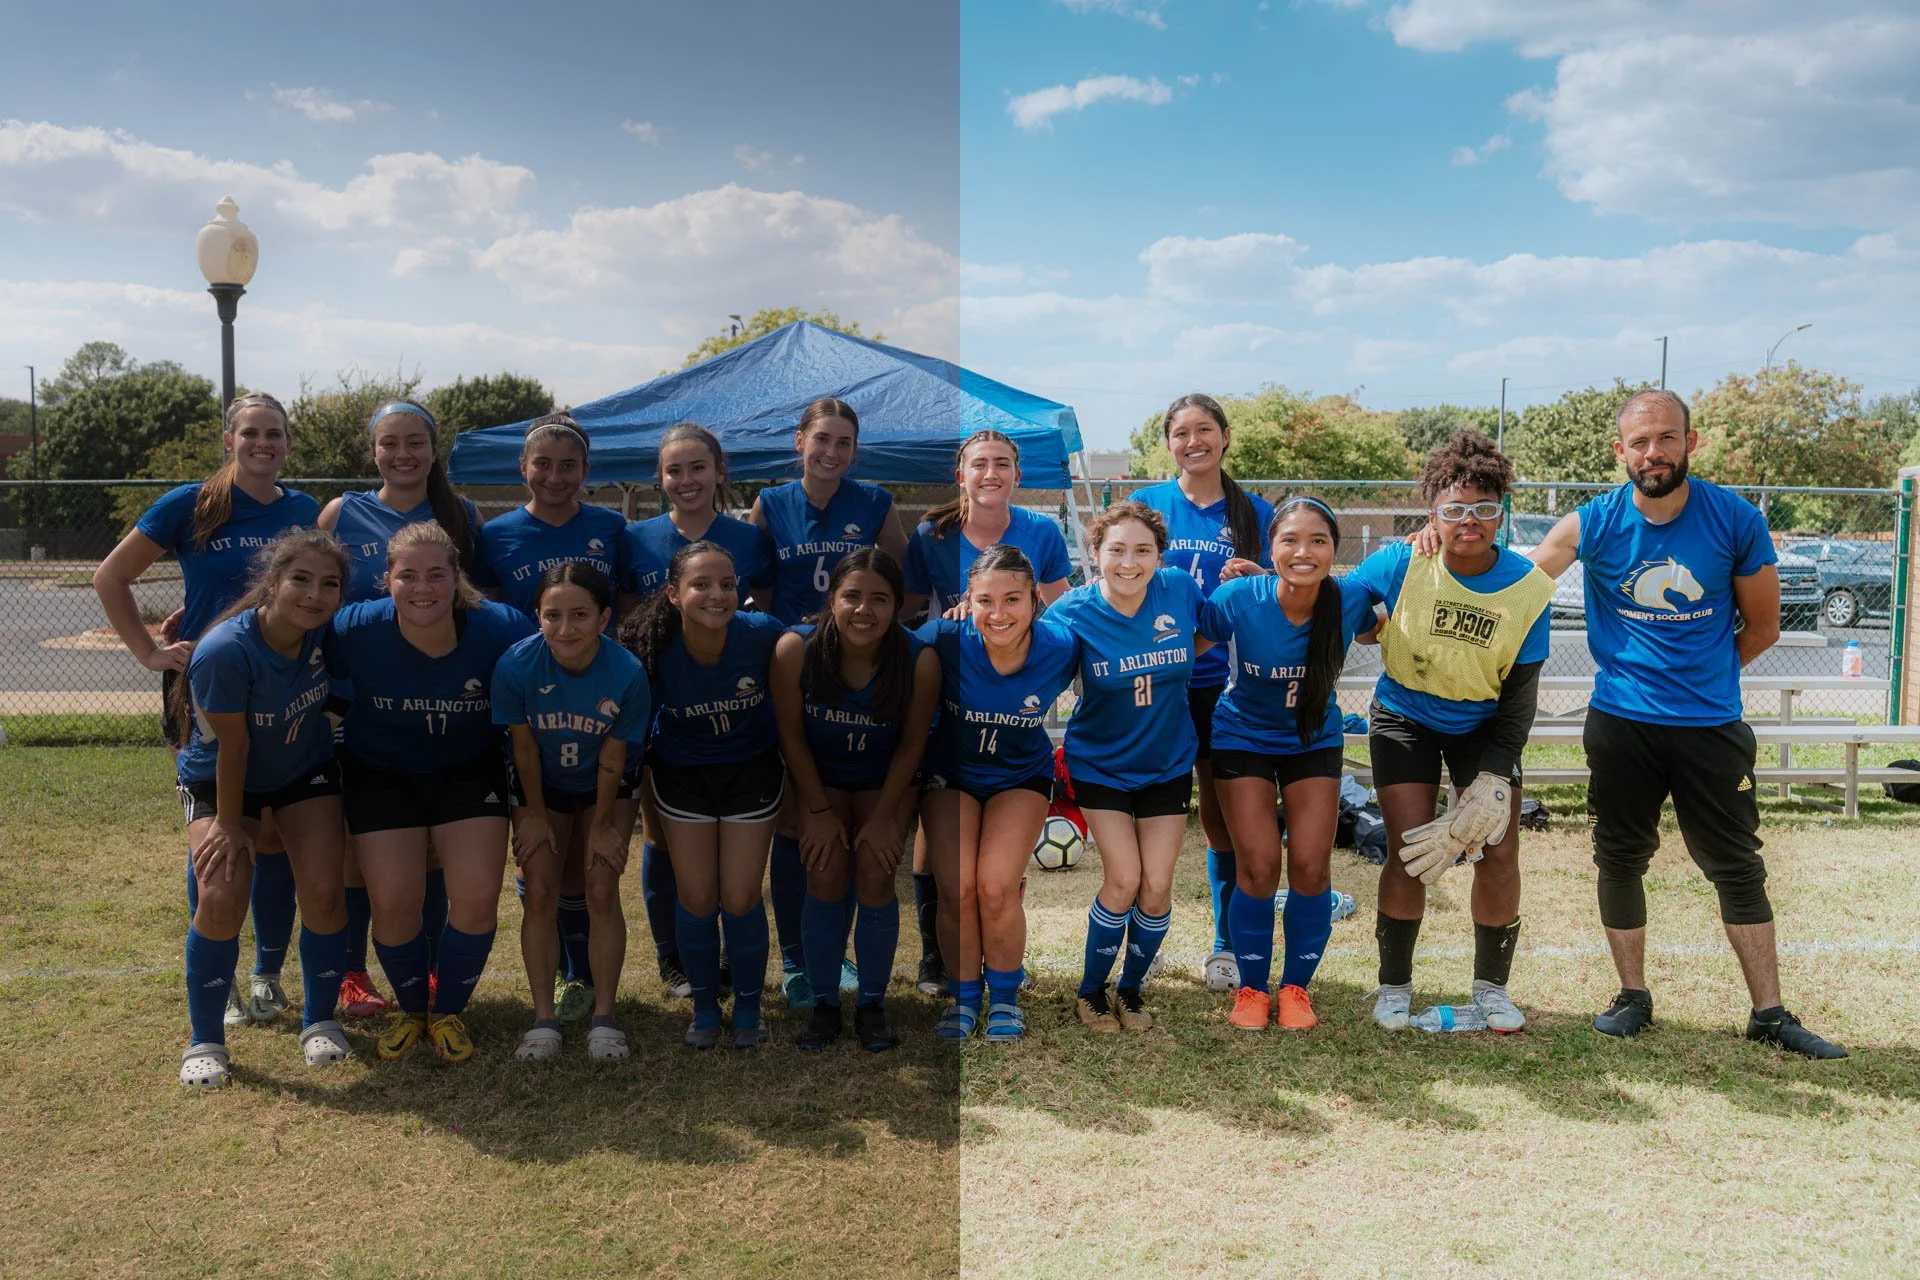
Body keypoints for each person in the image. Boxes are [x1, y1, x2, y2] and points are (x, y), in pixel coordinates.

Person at [1524, 390, 1846, 1058]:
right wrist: (1434, 541)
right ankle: (1632, 997)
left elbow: (1763, 625)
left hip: (1710, 724)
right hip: (1621, 722)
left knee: (1736, 865)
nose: (1653, 453)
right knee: (1620, 856)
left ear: (1690, 444)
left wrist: (1704, 677)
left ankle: (1770, 1015)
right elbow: (1516, 583)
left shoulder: (1733, 519)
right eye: (1640, 442)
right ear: (1620, 451)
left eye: (1667, 439)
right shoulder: (1594, 523)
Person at [95, 391, 315, 1030]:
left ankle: (268, 973)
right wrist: (148, 650)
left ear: (287, 444)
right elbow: (111, 576)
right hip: (205, 684)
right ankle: (220, 986)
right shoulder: (190, 504)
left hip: (283, 688)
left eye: (274, 433)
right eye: (251, 432)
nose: (263, 444)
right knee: (219, 833)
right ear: (229, 440)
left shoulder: (303, 511)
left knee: (272, 834)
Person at [1347, 431, 1552, 1035]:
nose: (1470, 521)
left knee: (1498, 850)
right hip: (1405, 716)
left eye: (1485, 509)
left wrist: (1493, 773)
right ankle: (1394, 987)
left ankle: (1491, 989)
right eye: (1455, 508)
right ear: (1431, 510)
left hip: (1485, 723)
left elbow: (1520, 694)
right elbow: (1337, 604)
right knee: (1410, 848)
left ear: (1502, 513)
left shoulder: (1528, 587)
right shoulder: (1401, 559)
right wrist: (1272, 583)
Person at [327, 522, 536, 1063]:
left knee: (475, 895)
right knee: (395, 902)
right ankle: (413, 1011)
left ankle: (449, 1013)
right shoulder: (353, 628)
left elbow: (547, 673)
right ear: (387, 580)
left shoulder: (501, 628)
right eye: (408, 575)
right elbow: (279, 629)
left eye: (436, 574)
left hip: (468, 773)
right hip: (382, 774)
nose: (423, 587)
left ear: (456, 578)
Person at [316, 399, 481, 1020]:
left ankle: (434, 967)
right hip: (352, 699)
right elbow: (308, 587)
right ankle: (353, 973)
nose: (404, 454)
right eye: (391, 443)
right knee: (359, 846)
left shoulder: (458, 514)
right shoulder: (342, 511)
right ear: (374, 450)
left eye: (416, 442)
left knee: (436, 844)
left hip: (432, 698)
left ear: (434, 450)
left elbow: (471, 601)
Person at [170, 529, 352, 1086]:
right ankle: (206, 1040)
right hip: (224, 779)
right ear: (272, 582)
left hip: (303, 772)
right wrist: (230, 823)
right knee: (223, 891)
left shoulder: (332, 636)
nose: (314, 595)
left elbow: (345, 690)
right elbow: (234, 746)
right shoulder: (226, 649)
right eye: (301, 579)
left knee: (323, 889)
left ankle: (319, 1019)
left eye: (329, 584)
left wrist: (318, 728)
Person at [746, 397, 910, 1008]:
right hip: (800, 668)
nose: (832, 452)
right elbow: (759, 589)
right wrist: (791, 647)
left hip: (859, 668)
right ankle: (797, 959)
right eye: (822, 440)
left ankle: (835, 958)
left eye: (844, 442)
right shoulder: (770, 503)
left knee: (849, 836)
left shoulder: (876, 503)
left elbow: (901, 583)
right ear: (799, 442)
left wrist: (871, 641)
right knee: (798, 821)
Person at [1199, 498, 1381, 1031]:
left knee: (1309, 865)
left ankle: (1296, 989)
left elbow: (1380, 626)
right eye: (1290, 541)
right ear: (1270, 549)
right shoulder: (1237, 597)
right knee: (1256, 865)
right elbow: (1184, 648)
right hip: (1242, 739)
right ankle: (1253, 989)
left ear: (1334, 550)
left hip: (1312, 741)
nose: (1304, 552)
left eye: (1318, 541)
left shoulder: (1349, 600)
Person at [471, 412, 627, 1024]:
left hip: (600, 701)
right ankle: (566, 971)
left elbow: (631, 609)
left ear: (586, 472)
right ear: (523, 469)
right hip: (526, 701)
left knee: (586, 858)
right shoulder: (497, 534)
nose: (555, 475)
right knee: (545, 850)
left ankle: (580, 974)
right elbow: (482, 614)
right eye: (544, 463)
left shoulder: (612, 528)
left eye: (569, 465)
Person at [619, 422, 775, 1002]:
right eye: (674, 470)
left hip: (731, 716)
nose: (686, 480)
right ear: (659, 479)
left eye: (697, 467)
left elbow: (760, 628)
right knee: (662, 843)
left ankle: (735, 960)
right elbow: (626, 628)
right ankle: (675, 960)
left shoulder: (750, 538)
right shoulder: (633, 537)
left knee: (733, 870)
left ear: (718, 472)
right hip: (665, 717)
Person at [1131, 393, 1275, 994]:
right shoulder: (1147, 506)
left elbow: (1282, 592)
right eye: (1181, 432)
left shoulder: (1255, 511)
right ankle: (1142, 941)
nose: (1194, 441)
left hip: (1220, 687)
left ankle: (1224, 945)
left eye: (1205, 430)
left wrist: (1258, 579)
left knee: (1221, 824)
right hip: (1153, 683)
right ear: (1167, 443)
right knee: (1144, 816)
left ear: (1225, 436)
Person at [771, 548, 941, 1052]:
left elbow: (912, 745)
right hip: (817, 779)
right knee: (823, 871)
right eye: (852, 596)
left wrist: (889, 817)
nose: (864, 610)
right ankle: (824, 1005)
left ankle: (871, 1005)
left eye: (879, 599)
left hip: (883, 780)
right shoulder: (795, 650)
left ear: (898, 605)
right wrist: (818, 813)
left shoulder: (918, 659)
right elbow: (791, 737)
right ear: (832, 598)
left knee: (874, 869)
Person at [1046, 502, 1207, 1032]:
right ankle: (1090, 991)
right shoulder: (1071, 612)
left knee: (1157, 883)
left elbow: (1207, 631)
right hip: (1101, 765)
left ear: (1160, 555)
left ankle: (1131, 990)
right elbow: (1022, 656)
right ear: (1094, 555)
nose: (1130, 562)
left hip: (1166, 762)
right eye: (1116, 549)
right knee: (1124, 878)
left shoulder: (1179, 590)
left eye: (1143, 550)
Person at [621, 542, 788, 1049]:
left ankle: (749, 1010)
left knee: (739, 897)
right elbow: (634, 734)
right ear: (673, 594)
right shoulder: (650, 647)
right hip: (683, 778)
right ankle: (704, 1009)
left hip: (750, 775)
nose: (717, 595)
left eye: (728, 584)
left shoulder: (764, 636)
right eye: (701, 585)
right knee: (695, 897)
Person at [918, 545, 1079, 1042]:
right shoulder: (944, 636)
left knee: (995, 886)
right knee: (958, 887)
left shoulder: (1062, 645)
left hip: (1019, 776)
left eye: (1012, 599)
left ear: (1035, 599)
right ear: (968, 599)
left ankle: (1005, 999)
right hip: (951, 775)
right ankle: (964, 998)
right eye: (985, 600)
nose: (998, 613)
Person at [494, 563, 651, 1062]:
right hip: (543, 783)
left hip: (606, 786)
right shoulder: (516, 666)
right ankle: (543, 1019)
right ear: (536, 616)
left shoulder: (626, 671)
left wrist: (602, 826)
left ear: (604, 618)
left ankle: (605, 1018)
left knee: (601, 887)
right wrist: (534, 816)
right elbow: (523, 753)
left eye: (580, 614)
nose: (566, 629)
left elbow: (613, 758)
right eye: (553, 615)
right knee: (539, 889)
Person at [903, 428, 1074, 619]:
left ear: (1017, 476)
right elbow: (906, 609)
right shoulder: (932, 534)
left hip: (1018, 647)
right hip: (951, 647)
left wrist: (1097, 593)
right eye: (979, 465)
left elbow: (1063, 608)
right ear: (961, 477)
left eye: (1001, 464)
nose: (991, 474)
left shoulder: (1041, 532)